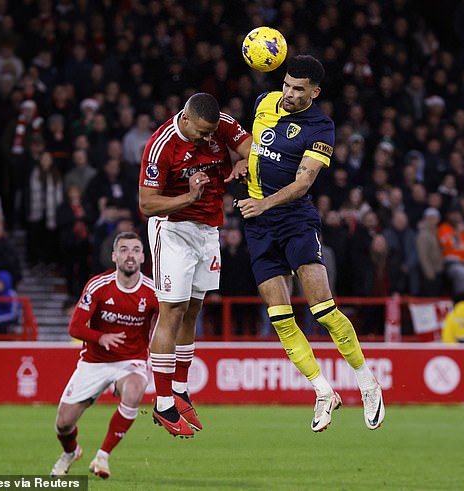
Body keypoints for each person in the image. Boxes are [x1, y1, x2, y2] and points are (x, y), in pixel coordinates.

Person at [236, 55, 385, 431]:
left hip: (294, 220)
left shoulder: (321, 127)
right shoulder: (263, 103)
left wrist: (263, 203)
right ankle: (322, 391)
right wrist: (242, 165)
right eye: (286, 84)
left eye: (297, 89)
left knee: (322, 308)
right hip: (259, 227)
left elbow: (303, 184)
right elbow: (254, 146)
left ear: (314, 92)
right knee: (280, 319)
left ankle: (367, 383)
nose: (287, 93)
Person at [138, 92, 251, 437]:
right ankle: (162, 403)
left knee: (193, 310)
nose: (207, 139)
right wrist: (188, 197)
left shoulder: (220, 125)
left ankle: (181, 389)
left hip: (209, 229)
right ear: (185, 119)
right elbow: (146, 204)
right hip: (173, 229)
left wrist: (244, 163)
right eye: (201, 133)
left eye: (211, 133)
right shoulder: (161, 146)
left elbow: (251, 147)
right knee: (171, 311)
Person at [50, 232, 159, 479]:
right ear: (114, 256)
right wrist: (101, 337)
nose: (129, 254)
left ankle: (103, 456)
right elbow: (75, 327)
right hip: (94, 360)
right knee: (64, 424)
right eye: (123, 250)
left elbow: (167, 324)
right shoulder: (99, 285)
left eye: (134, 250)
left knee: (133, 391)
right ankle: (70, 453)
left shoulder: (153, 292)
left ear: (142, 256)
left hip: (131, 360)